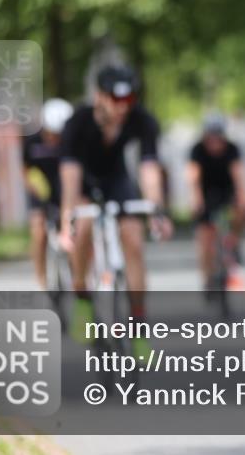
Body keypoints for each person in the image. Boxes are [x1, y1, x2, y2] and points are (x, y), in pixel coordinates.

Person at [59, 64, 173, 353]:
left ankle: (138, 327)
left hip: (117, 180)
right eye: (115, 99)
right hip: (84, 182)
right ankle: (82, 295)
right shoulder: (78, 122)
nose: (123, 107)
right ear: (99, 96)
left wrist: (156, 210)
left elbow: (149, 168)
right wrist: (66, 219)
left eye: (129, 100)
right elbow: (70, 176)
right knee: (82, 227)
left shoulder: (142, 120)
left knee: (133, 239)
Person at [187, 113, 245, 293]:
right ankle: (207, 278)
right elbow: (193, 178)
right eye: (211, 137)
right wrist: (196, 199)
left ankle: (234, 242)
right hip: (206, 194)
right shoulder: (197, 150)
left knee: (241, 211)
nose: (215, 142)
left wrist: (242, 198)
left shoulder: (232, 149)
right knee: (204, 239)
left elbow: (238, 176)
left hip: (226, 192)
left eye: (218, 137)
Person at [23, 97, 73, 289]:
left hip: (64, 188)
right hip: (39, 188)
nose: (55, 138)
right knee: (39, 231)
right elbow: (24, 168)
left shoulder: (70, 142)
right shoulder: (32, 141)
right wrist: (33, 187)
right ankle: (42, 278)